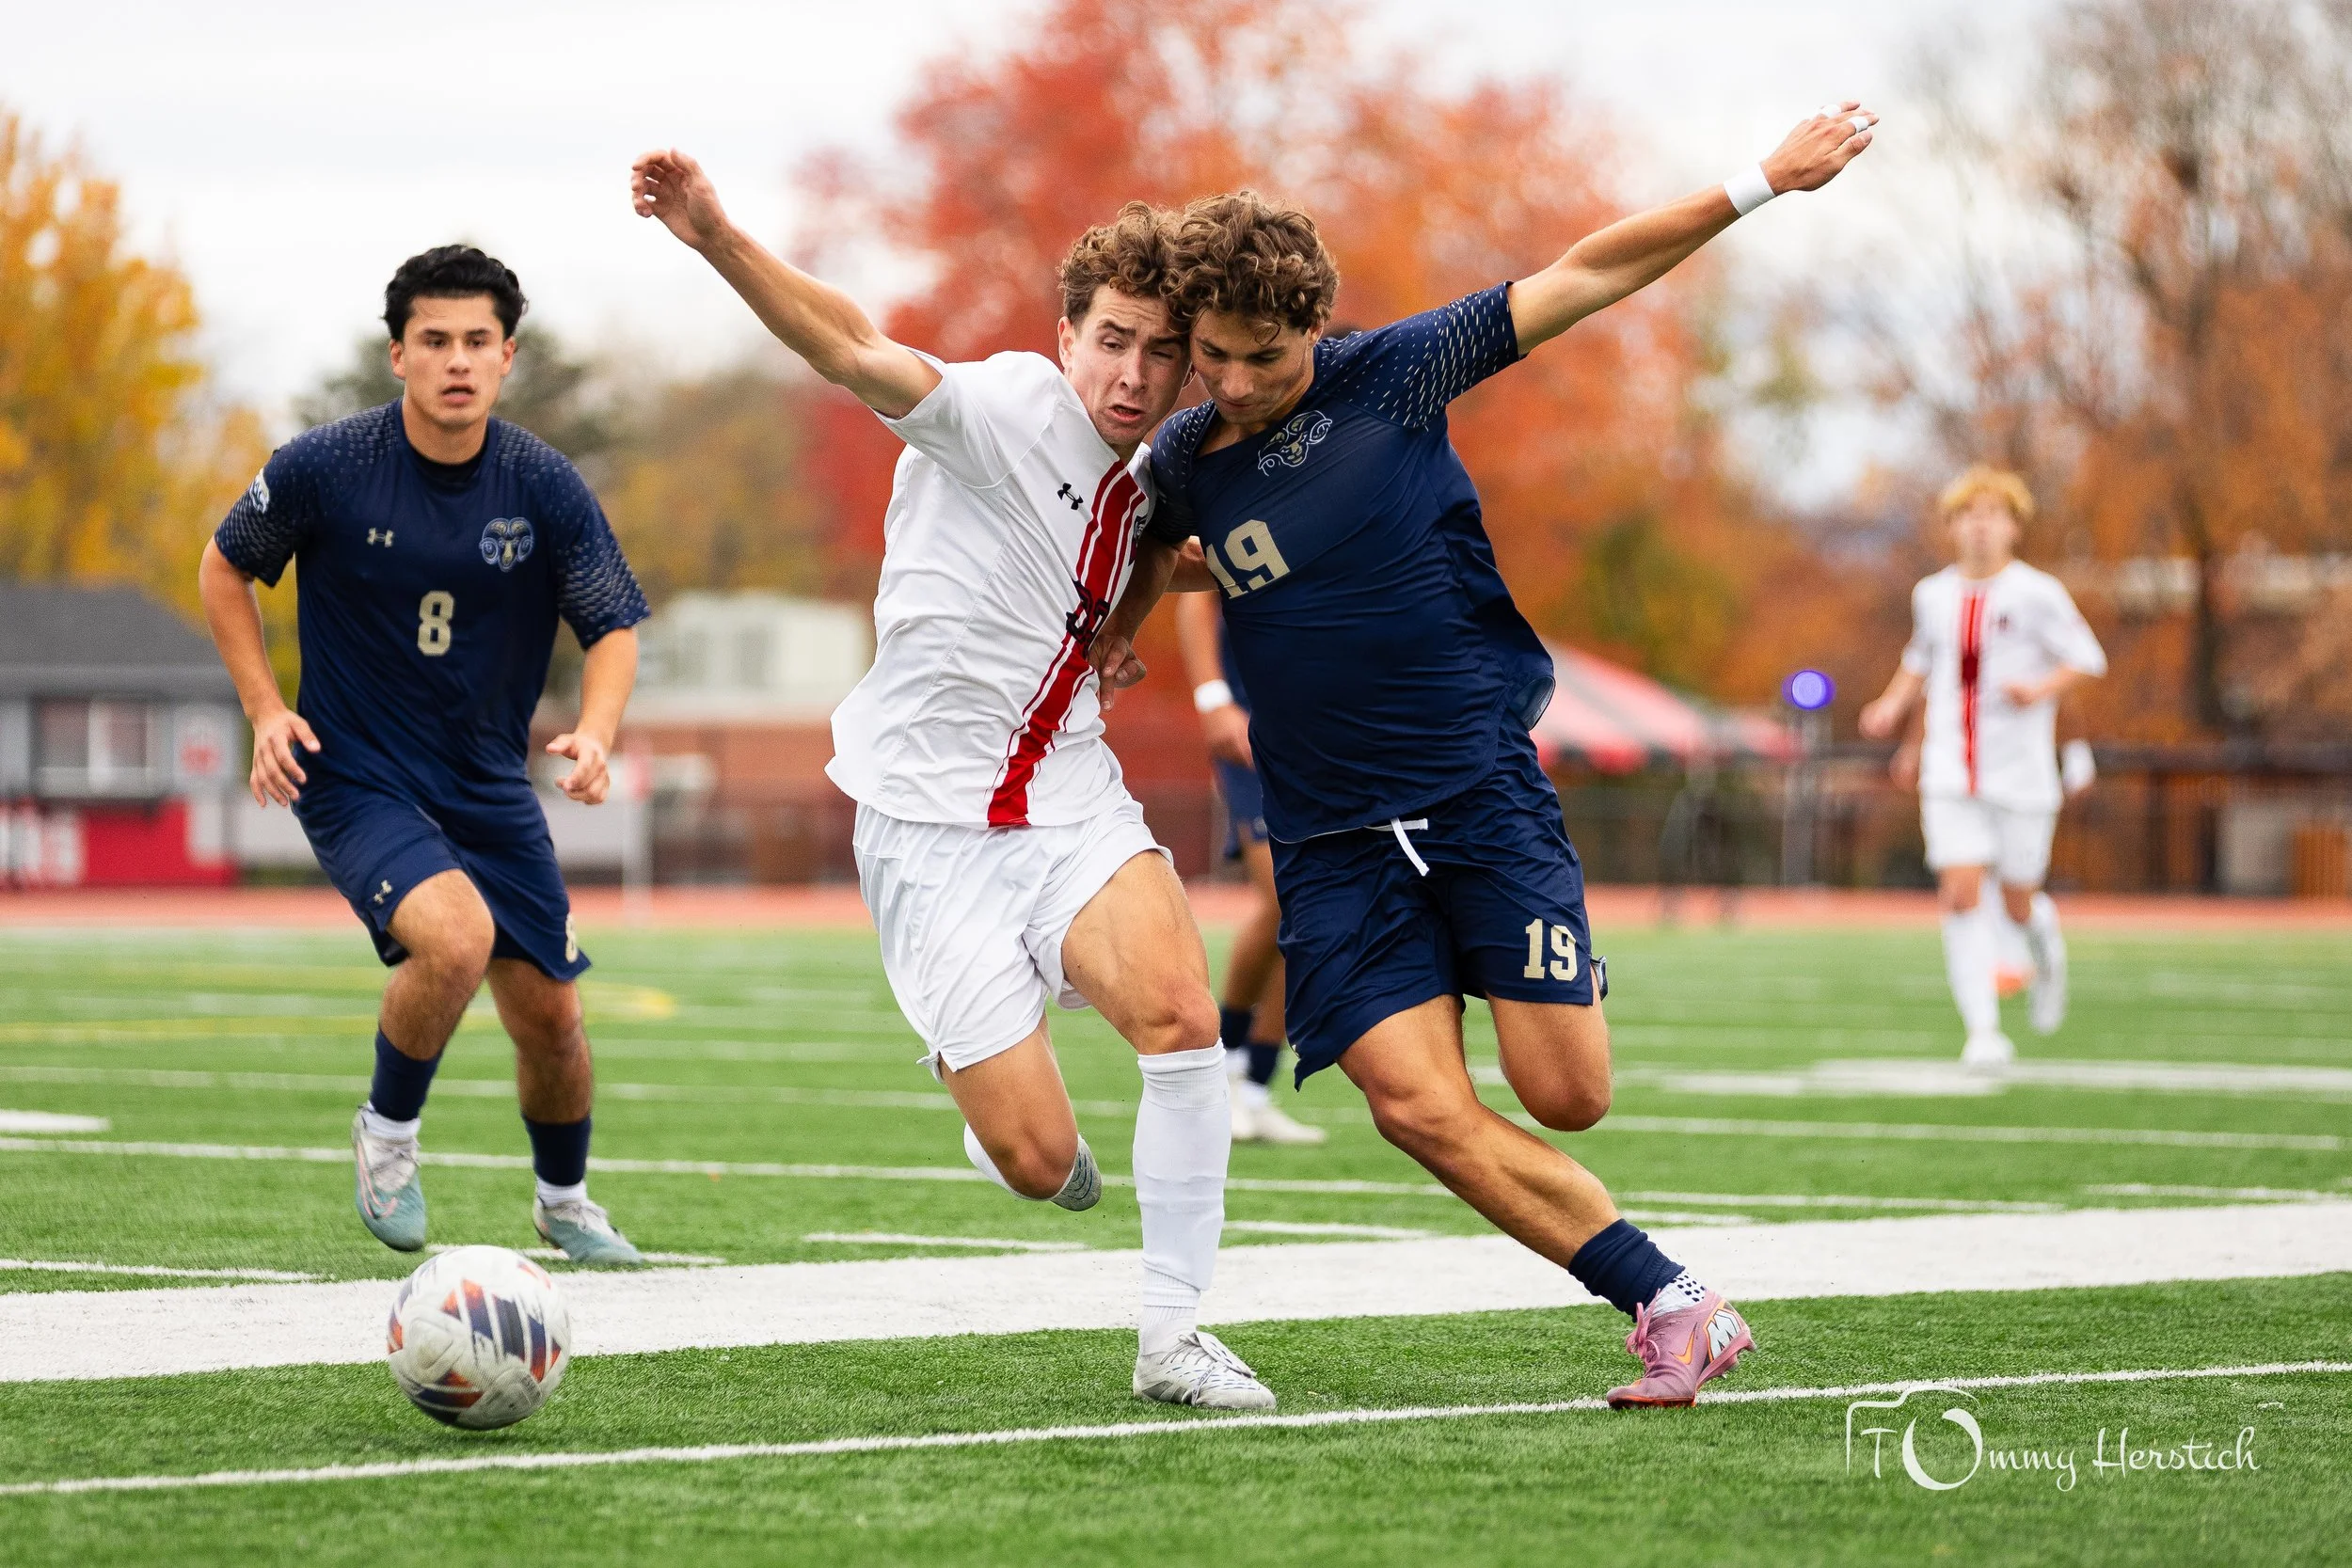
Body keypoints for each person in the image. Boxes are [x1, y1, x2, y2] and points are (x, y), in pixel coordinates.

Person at [1091, 107, 1879, 1407]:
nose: (1230, 380)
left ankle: (1506, 992)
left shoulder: (1395, 373)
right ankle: (1672, 1302)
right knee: (1412, 1105)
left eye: (1261, 356)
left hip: (1475, 791)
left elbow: (1590, 270)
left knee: (1568, 1095)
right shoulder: (1183, 454)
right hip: (1331, 835)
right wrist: (1119, 638)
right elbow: (1142, 558)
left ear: (1316, 327)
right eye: (1212, 356)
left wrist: (1758, 185)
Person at [630, 150, 1273, 1410]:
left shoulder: (1164, 464)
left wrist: (1178, 587)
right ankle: (998, 1106)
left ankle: (1173, 1335)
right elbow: (854, 346)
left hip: (1068, 792)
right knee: (1041, 1163)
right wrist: (717, 234)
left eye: (1163, 351)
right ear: (1065, 335)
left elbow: (1135, 552)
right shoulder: (998, 408)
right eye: (1114, 341)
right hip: (927, 829)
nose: (1136, 374)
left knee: (1185, 1017)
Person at [198, 245, 651, 1266]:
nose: (457, 360)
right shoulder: (326, 466)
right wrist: (266, 710)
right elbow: (226, 567)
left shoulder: (542, 482)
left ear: (507, 357)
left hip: (487, 780)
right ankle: (388, 1134)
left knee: (553, 1020)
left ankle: (564, 1199)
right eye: (435, 340)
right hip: (358, 772)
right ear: (397, 354)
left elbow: (613, 623)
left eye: (477, 342)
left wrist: (598, 730)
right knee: (453, 938)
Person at [1861, 466, 2106, 1066]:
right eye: (1969, 514)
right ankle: (1984, 1032)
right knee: (1961, 891)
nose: (1980, 526)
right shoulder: (1933, 594)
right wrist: (1895, 711)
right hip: (1951, 772)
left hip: (2021, 772)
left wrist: (2040, 687)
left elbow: (2087, 657)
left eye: (1993, 514)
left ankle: (2043, 942)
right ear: (1951, 525)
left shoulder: (2037, 592)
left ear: (2014, 527)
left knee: (2017, 902)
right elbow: (1923, 662)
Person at [1173, 591, 1323, 1145]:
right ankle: (1219, 1071)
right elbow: (1195, 589)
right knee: (1288, 898)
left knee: (1310, 913)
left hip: (1323, 726)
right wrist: (1213, 697)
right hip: (1253, 724)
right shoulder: (1257, 501)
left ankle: (1254, 1088)